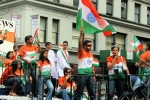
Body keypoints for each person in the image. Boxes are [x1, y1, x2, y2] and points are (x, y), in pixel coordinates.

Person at [74, 28, 96, 100]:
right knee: (78, 93)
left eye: (91, 45)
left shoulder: (91, 55)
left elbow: (92, 65)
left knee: (92, 93)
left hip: (90, 76)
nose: (90, 46)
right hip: (82, 75)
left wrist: (94, 76)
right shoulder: (81, 52)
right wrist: (81, 34)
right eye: (89, 45)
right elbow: (79, 44)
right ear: (84, 46)